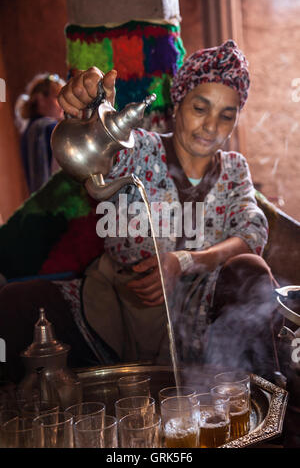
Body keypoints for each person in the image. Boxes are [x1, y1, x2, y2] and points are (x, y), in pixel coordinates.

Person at [0, 41, 286, 383]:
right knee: (14, 305)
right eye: (200, 107)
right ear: (178, 102)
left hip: (198, 318)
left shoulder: (233, 169)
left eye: (227, 115)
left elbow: (251, 232)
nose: (212, 126)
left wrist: (184, 261)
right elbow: (98, 144)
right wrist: (88, 103)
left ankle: (265, 411)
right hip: (116, 310)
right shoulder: (138, 148)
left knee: (249, 272)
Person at [15, 73, 65, 194]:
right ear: (40, 99)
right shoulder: (49, 128)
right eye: (57, 98)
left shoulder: (28, 130)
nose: (62, 104)